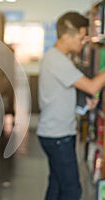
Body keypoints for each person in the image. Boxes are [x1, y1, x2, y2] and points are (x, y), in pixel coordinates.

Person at [37, 11, 105, 200]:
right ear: (67, 36)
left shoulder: (58, 58)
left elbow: (58, 96)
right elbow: (92, 87)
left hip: (54, 133)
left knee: (57, 186)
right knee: (72, 191)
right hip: (58, 136)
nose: (83, 42)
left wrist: (83, 106)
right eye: (81, 37)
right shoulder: (57, 60)